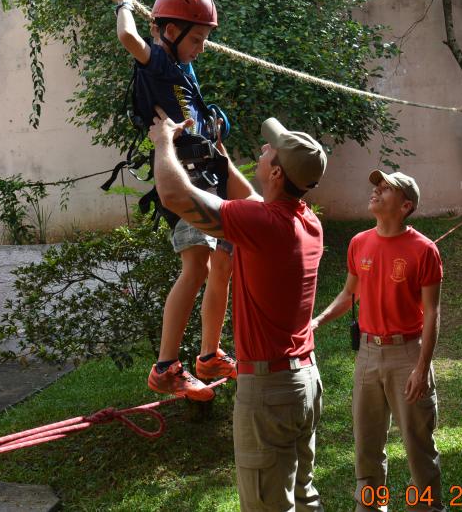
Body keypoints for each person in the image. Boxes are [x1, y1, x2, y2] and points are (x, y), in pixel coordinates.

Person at [149, 108, 328, 511]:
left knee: (268, 505)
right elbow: (251, 198)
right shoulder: (306, 222)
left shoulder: (260, 223)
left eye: (270, 150)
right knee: (304, 496)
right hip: (303, 383)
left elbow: (175, 196)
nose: (264, 149)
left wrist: (162, 141)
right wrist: (221, 160)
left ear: (279, 174)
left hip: (270, 392)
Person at [109, 0, 235, 401]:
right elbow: (128, 36)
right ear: (170, 32)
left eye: (204, 38)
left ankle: (209, 354)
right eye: (196, 38)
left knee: (224, 263)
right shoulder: (159, 61)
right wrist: (125, 4)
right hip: (184, 177)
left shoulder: (186, 69)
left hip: (208, 176)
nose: (202, 46)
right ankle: (165, 367)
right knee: (196, 264)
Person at [311, 170, 444, 512]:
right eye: (376, 186)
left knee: (418, 445)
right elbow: (347, 294)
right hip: (367, 355)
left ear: (405, 205)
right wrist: (318, 321)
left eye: (386, 190)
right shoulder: (359, 243)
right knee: (367, 447)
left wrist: (421, 367)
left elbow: (432, 314)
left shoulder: (424, 250)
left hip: (407, 354)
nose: (376, 191)